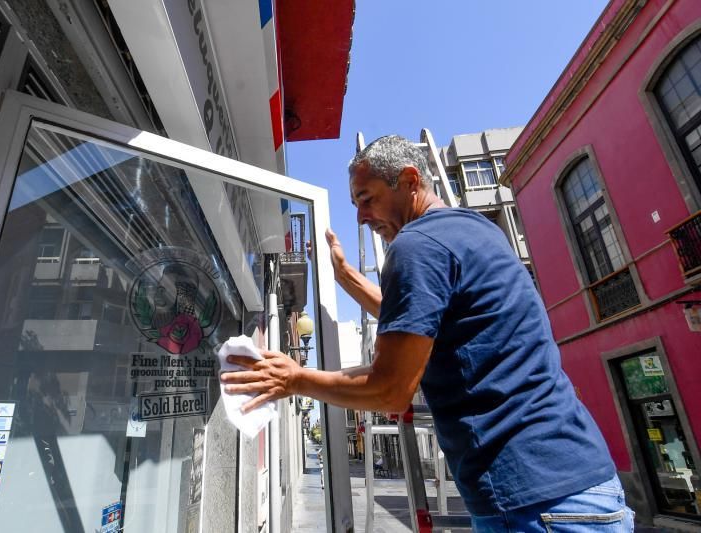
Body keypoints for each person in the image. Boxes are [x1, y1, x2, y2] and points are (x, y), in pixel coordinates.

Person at [220, 135, 634, 531]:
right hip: (587, 487)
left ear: (410, 181)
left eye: (367, 199)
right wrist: (347, 278)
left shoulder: (417, 245)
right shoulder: (475, 231)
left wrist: (293, 379)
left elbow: (391, 389)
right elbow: (420, 321)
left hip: (532, 500)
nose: (361, 217)